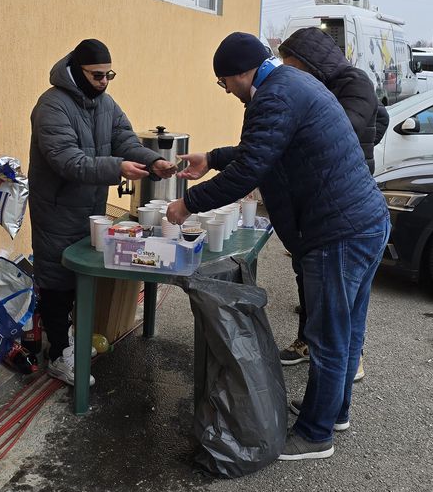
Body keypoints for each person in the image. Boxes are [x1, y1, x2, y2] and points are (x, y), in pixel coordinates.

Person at [166, 32, 390, 461]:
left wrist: (187, 204)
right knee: (347, 328)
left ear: (241, 73)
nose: (227, 91)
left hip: (338, 232)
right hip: (362, 222)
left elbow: (252, 167)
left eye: (224, 82)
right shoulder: (290, 84)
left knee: (327, 335)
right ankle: (333, 412)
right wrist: (211, 158)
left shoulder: (273, 96)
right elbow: (263, 148)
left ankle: (315, 433)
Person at [29, 40, 176, 386]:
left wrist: (151, 161)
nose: (105, 81)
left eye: (109, 74)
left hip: (91, 206)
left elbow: (124, 139)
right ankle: (58, 354)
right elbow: (67, 160)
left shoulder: (105, 104)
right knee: (56, 278)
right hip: (57, 206)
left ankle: (70, 340)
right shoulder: (52, 106)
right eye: (97, 75)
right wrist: (119, 168)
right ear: (76, 72)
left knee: (81, 276)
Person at [275, 26, 390, 375]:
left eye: (291, 64)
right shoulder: (320, 86)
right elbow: (380, 118)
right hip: (314, 197)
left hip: (345, 197)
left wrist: (354, 153)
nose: (287, 72)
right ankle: (308, 341)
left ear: (310, 61)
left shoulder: (353, 82)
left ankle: (348, 360)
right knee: (309, 276)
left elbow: (359, 123)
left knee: (341, 291)